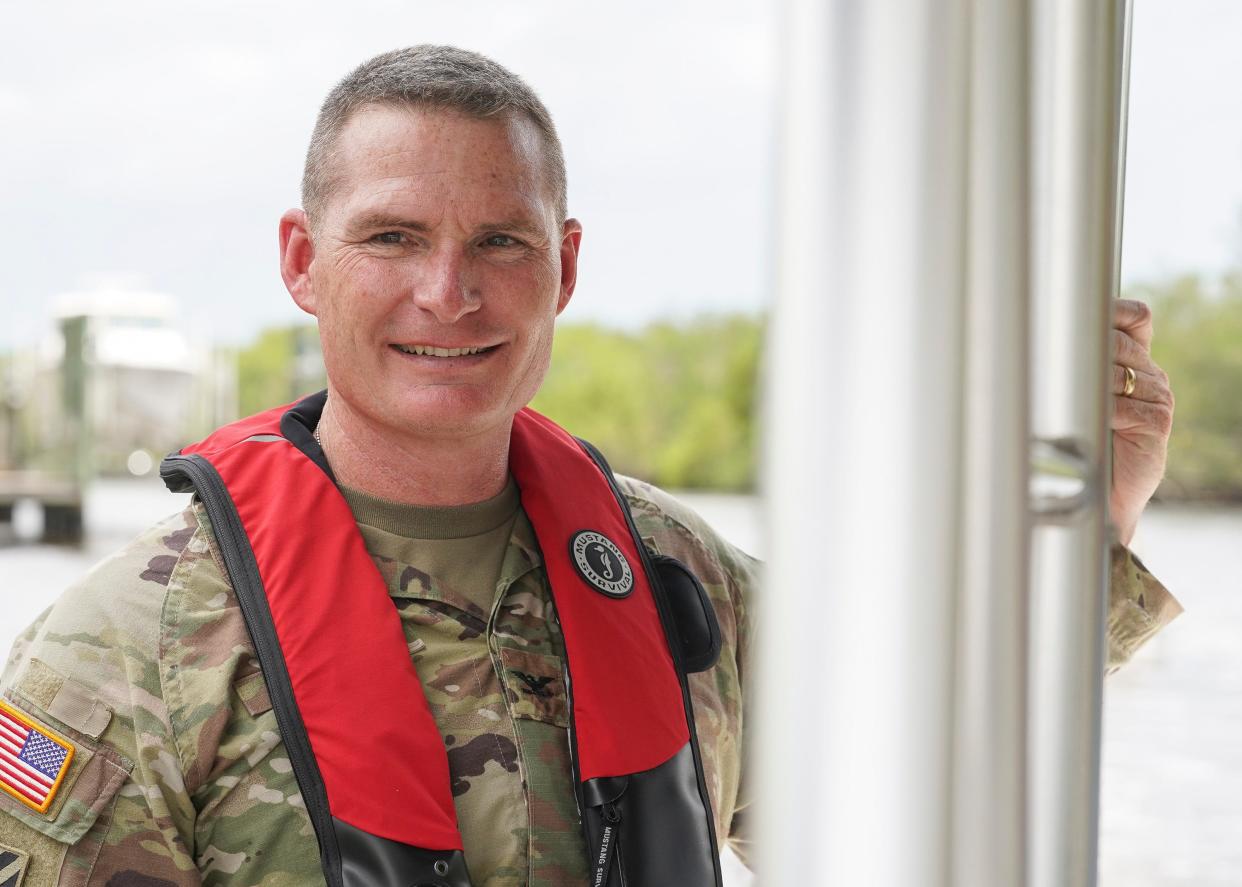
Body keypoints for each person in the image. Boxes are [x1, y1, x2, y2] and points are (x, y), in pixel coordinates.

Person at [0, 45, 1180, 887]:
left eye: (500, 241)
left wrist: (1096, 512)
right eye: (393, 236)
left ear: (563, 266)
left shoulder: (686, 582)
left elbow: (933, 792)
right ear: (304, 261)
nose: (448, 291)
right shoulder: (123, 649)